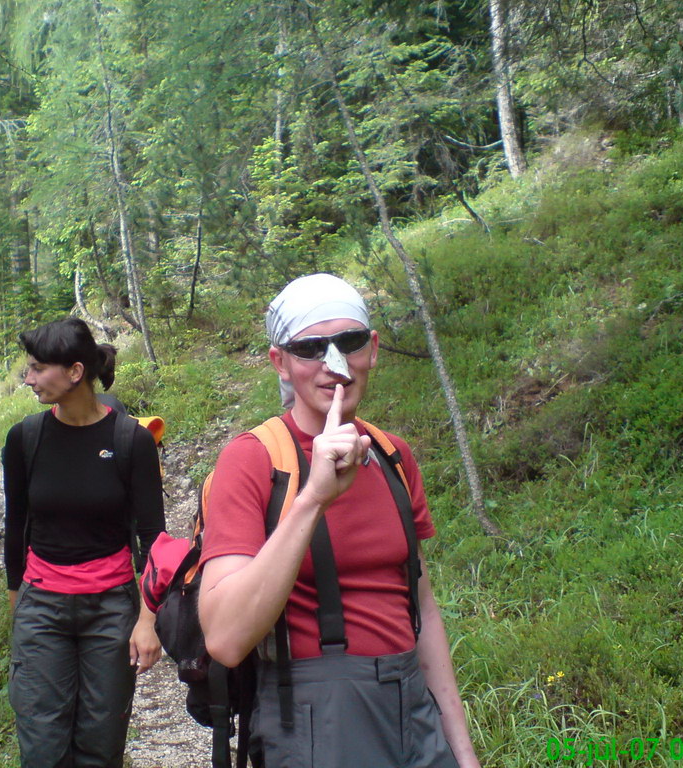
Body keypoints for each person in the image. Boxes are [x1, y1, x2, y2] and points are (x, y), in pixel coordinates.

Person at [198, 274, 481, 768]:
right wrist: (313, 499)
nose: (334, 365)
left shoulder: (393, 456)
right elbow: (224, 638)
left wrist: (460, 750)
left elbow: (420, 605)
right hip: (316, 718)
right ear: (280, 363)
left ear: (372, 349)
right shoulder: (253, 460)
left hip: (412, 705)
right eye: (310, 348)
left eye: (348, 342)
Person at [2, 317, 165, 768]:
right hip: (42, 610)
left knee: (101, 744)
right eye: (28, 368)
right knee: (42, 746)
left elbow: (153, 538)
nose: (29, 378)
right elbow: (16, 527)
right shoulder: (24, 439)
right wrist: (19, 605)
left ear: (75, 372)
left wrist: (147, 620)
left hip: (111, 609)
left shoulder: (130, 440)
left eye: (38, 368)